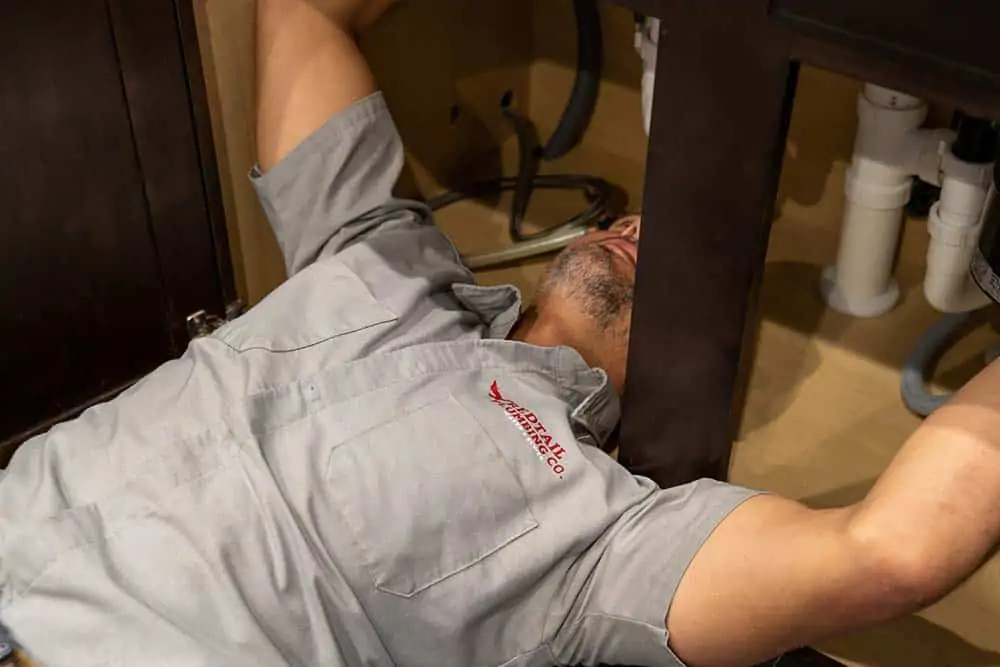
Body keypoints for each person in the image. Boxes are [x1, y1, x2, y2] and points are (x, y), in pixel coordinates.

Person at [3, 1, 1000, 666]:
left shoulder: (598, 536)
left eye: (686, 249)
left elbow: (889, 553)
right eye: (635, 216)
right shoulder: (375, 251)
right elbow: (299, 13)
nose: (639, 223)